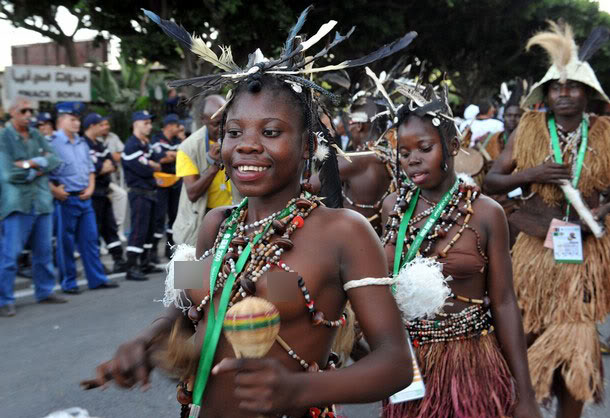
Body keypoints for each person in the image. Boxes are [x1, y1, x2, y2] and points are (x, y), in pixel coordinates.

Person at [84, 8, 419, 417]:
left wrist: (297, 389)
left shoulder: (343, 231)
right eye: (234, 132)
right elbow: (183, 309)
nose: (246, 145)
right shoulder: (215, 226)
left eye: (271, 132)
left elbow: (397, 365)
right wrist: (146, 340)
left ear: (309, 147)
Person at [380, 83, 540, 417]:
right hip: (409, 366)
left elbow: (505, 301)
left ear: (452, 146)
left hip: (471, 361)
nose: (413, 159)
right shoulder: (392, 206)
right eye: (404, 152)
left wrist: (525, 393)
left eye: (424, 148)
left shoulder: (486, 213)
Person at [484, 22, 610, 418]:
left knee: (575, 351)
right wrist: (531, 175)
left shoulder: (606, 133)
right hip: (535, 250)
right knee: (527, 335)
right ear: (547, 94)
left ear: (587, 94)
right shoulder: (531, 129)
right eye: (557, 87)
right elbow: (491, 181)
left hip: (584, 255)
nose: (565, 93)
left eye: (573, 87)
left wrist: (602, 213)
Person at [0, 97, 67, 317]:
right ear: (12, 113)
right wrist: (39, 164)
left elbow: (55, 160)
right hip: (17, 203)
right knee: (11, 255)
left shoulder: (37, 134)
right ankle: (4, 299)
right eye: (24, 110)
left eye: (31, 110)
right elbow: (8, 173)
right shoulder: (4, 137)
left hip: (41, 202)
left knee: (44, 251)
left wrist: (29, 164)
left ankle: (45, 291)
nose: (29, 114)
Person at [48, 102, 119, 294]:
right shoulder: (52, 143)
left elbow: (90, 170)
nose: (77, 123)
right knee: (66, 243)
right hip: (66, 199)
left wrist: (90, 188)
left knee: (90, 240)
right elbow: (45, 172)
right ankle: (69, 282)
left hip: (85, 196)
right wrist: (54, 191)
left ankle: (96, 279)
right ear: (61, 121)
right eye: (72, 120)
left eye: (77, 119)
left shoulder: (80, 142)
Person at [312, 97, 394, 236]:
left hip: (351, 237)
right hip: (378, 237)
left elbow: (307, 186)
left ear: (359, 125)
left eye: (350, 122)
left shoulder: (355, 160)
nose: (348, 128)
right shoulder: (392, 157)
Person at [172, 95, 234, 246]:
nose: (223, 128)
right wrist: (214, 165)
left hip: (234, 216)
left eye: (226, 120)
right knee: (196, 269)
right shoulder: (188, 148)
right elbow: (192, 194)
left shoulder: (238, 138)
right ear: (203, 120)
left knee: (233, 268)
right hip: (201, 222)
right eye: (217, 123)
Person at [82, 113, 127, 273]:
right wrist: (104, 167)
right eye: (100, 125)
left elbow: (113, 164)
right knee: (94, 229)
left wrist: (105, 166)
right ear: (91, 126)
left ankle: (118, 260)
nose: (103, 128)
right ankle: (97, 265)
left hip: (105, 190)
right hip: (93, 193)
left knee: (110, 227)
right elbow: (96, 168)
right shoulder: (84, 144)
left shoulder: (100, 144)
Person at [121, 110, 162, 281]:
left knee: (148, 230)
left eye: (149, 122)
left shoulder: (145, 144)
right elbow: (143, 169)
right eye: (145, 123)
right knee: (138, 230)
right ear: (135, 124)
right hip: (139, 193)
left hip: (150, 192)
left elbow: (158, 161)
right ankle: (131, 266)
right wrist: (152, 165)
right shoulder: (131, 145)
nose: (149, 126)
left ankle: (144, 262)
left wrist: (152, 164)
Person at [151, 113, 182, 260]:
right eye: (177, 126)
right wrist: (172, 155)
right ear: (169, 126)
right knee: (159, 216)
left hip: (176, 182)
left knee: (174, 216)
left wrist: (172, 154)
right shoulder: (157, 139)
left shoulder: (177, 140)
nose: (179, 128)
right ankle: (152, 250)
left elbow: (183, 154)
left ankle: (168, 248)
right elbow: (160, 158)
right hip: (161, 184)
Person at [99, 118, 128, 242]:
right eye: (102, 125)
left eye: (107, 124)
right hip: (99, 179)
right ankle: (102, 239)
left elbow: (122, 154)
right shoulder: (93, 139)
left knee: (121, 196)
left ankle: (119, 230)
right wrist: (113, 156)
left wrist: (113, 157)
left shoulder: (113, 137)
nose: (106, 127)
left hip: (113, 176)